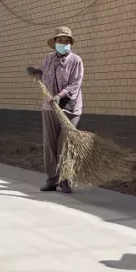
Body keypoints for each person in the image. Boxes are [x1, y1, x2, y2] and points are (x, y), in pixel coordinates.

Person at [26, 26, 83, 194]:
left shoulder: (76, 61)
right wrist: (35, 72)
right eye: (60, 40)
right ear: (55, 42)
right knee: (49, 144)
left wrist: (60, 95)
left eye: (66, 40)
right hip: (49, 106)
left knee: (66, 144)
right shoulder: (48, 59)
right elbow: (44, 75)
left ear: (70, 43)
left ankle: (65, 179)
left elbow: (75, 83)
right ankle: (51, 179)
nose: (63, 43)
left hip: (69, 108)